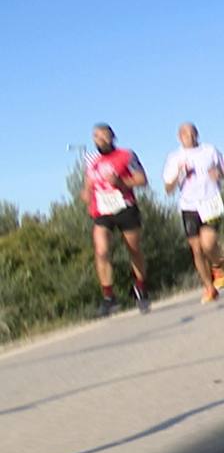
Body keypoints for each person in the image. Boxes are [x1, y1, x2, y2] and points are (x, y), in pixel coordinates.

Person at [80, 124, 152, 316]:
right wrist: (86, 194)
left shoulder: (127, 155)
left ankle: (141, 287)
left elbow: (142, 180)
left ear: (112, 137)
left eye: (104, 135)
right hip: (102, 211)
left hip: (125, 207)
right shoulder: (91, 160)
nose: (100, 139)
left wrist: (121, 182)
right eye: (96, 136)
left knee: (133, 250)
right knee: (101, 251)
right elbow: (88, 183)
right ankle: (109, 297)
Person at [162, 122, 224, 303]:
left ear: (197, 134)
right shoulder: (174, 157)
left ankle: (217, 265)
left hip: (210, 202)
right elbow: (168, 189)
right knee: (196, 249)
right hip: (188, 206)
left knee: (208, 243)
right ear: (179, 137)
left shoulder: (209, 150)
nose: (190, 137)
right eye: (185, 134)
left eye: (193, 133)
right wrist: (179, 174)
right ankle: (209, 288)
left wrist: (220, 174)